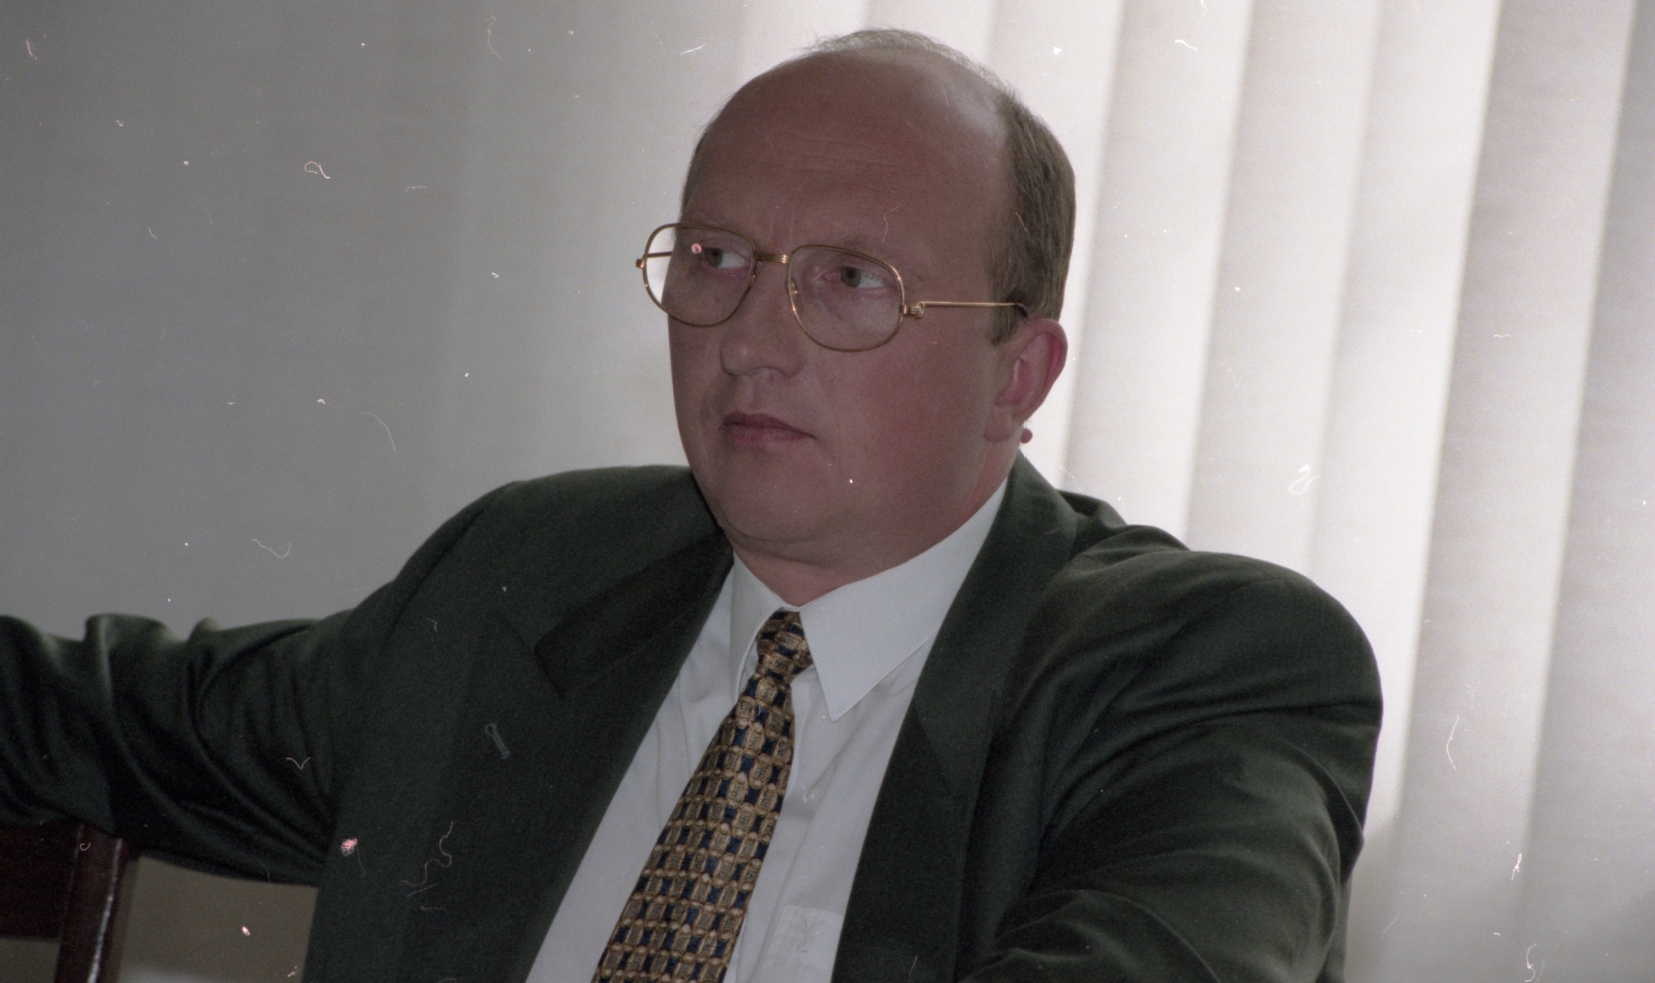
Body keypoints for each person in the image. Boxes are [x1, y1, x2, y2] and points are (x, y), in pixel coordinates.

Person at [0, 29, 1380, 983]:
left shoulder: (1202, 672)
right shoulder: (532, 576)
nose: (749, 340)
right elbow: (91, 719)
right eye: (717, 257)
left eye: (851, 280)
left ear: (1016, 373)